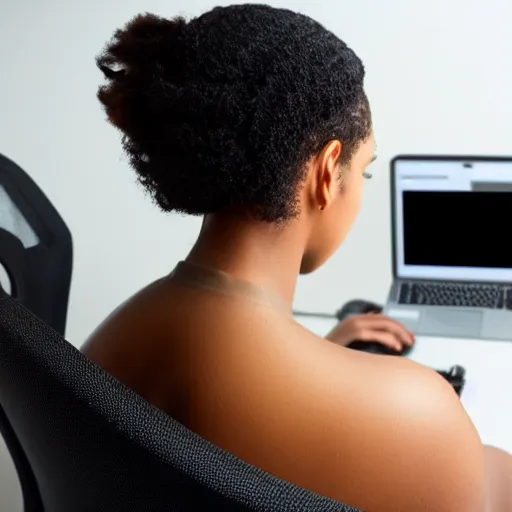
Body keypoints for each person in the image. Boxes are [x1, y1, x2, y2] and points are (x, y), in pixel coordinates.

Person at [82, 5, 512, 511]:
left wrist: (321, 357)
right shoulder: (423, 413)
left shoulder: (109, 345)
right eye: (365, 170)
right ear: (328, 172)